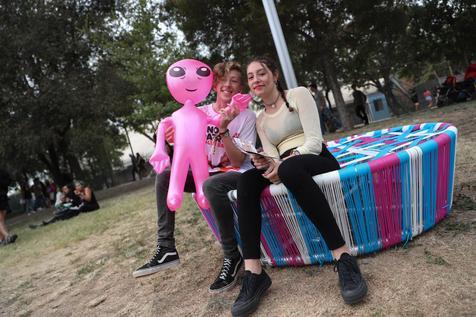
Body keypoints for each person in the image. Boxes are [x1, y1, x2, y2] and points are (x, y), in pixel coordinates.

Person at [230, 57, 368, 316]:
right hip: (286, 166)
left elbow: (315, 142)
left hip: (316, 159)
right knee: (247, 179)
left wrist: (283, 164)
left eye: (262, 73)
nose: (256, 79)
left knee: (289, 167)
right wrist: (269, 166)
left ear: (275, 75)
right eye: (251, 77)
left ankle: (343, 257)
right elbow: (273, 156)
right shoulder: (260, 119)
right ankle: (254, 273)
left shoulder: (298, 95)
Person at [133, 61, 257, 294]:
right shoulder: (201, 112)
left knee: (211, 184)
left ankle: (232, 256)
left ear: (240, 87)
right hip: (206, 172)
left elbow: (239, 161)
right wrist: (171, 138)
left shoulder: (247, 116)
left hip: (236, 174)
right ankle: (166, 247)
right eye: (223, 80)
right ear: (214, 84)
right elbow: (187, 148)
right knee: (166, 176)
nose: (228, 85)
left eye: (235, 81)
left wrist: (224, 128)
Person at [29, 181, 98, 228]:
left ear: (82, 185)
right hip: (81, 207)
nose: (77, 187)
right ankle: (45, 223)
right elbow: (74, 203)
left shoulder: (86, 189)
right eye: (76, 186)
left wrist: (79, 195)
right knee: (62, 213)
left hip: (90, 207)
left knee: (73, 211)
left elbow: (88, 199)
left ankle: (51, 221)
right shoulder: (75, 193)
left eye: (78, 185)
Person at [0, 169, 18, 246]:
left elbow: (8, 181)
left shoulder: (2, 172)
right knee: (0, 219)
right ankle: (7, 236)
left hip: (2, 196)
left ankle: (2, 239)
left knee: (2, 219)